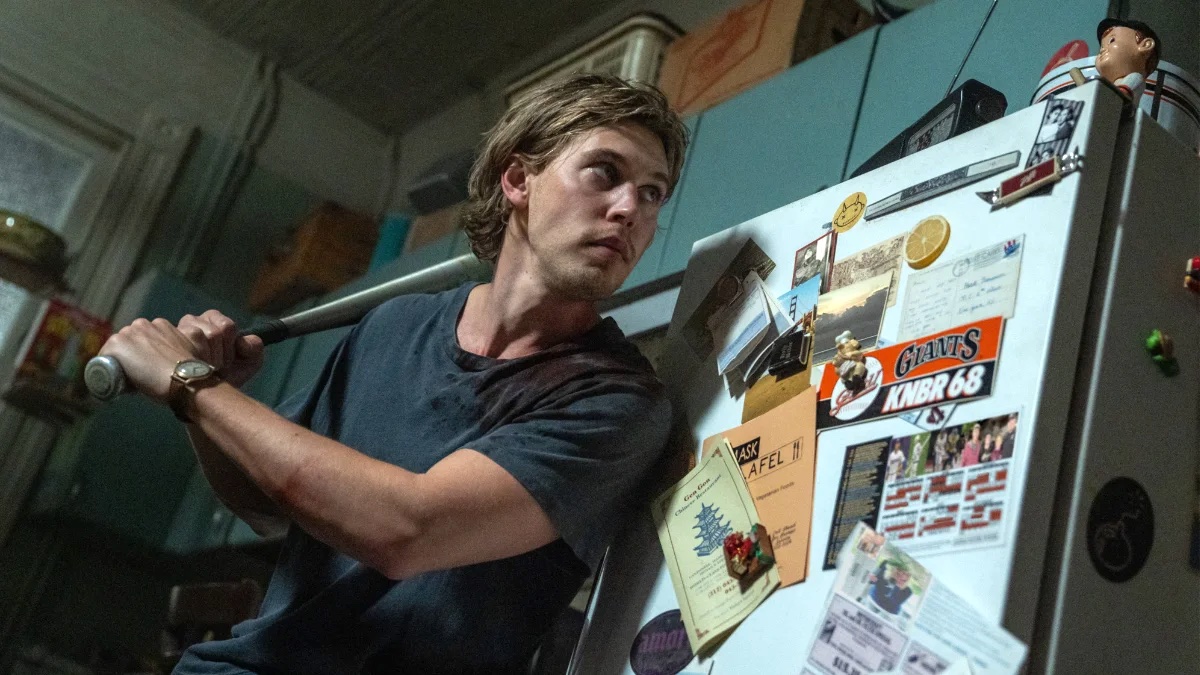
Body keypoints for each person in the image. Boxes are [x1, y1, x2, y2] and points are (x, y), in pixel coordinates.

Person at [98, 74, 689, 674]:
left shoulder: (616, 400)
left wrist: (191, 385)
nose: (630, 210)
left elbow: (408, 531)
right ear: (517, 180)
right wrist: (206, 398)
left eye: (653, 194)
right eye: (605, 173)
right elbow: (263, 504)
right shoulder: (395, 324)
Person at [1094, 18, 1160, 104]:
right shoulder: (1104, 85)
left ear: (1145, 45)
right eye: (1102, 47)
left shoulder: (1135, 78)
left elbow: (1119, 97)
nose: (1102, 50)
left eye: (1112, 40)